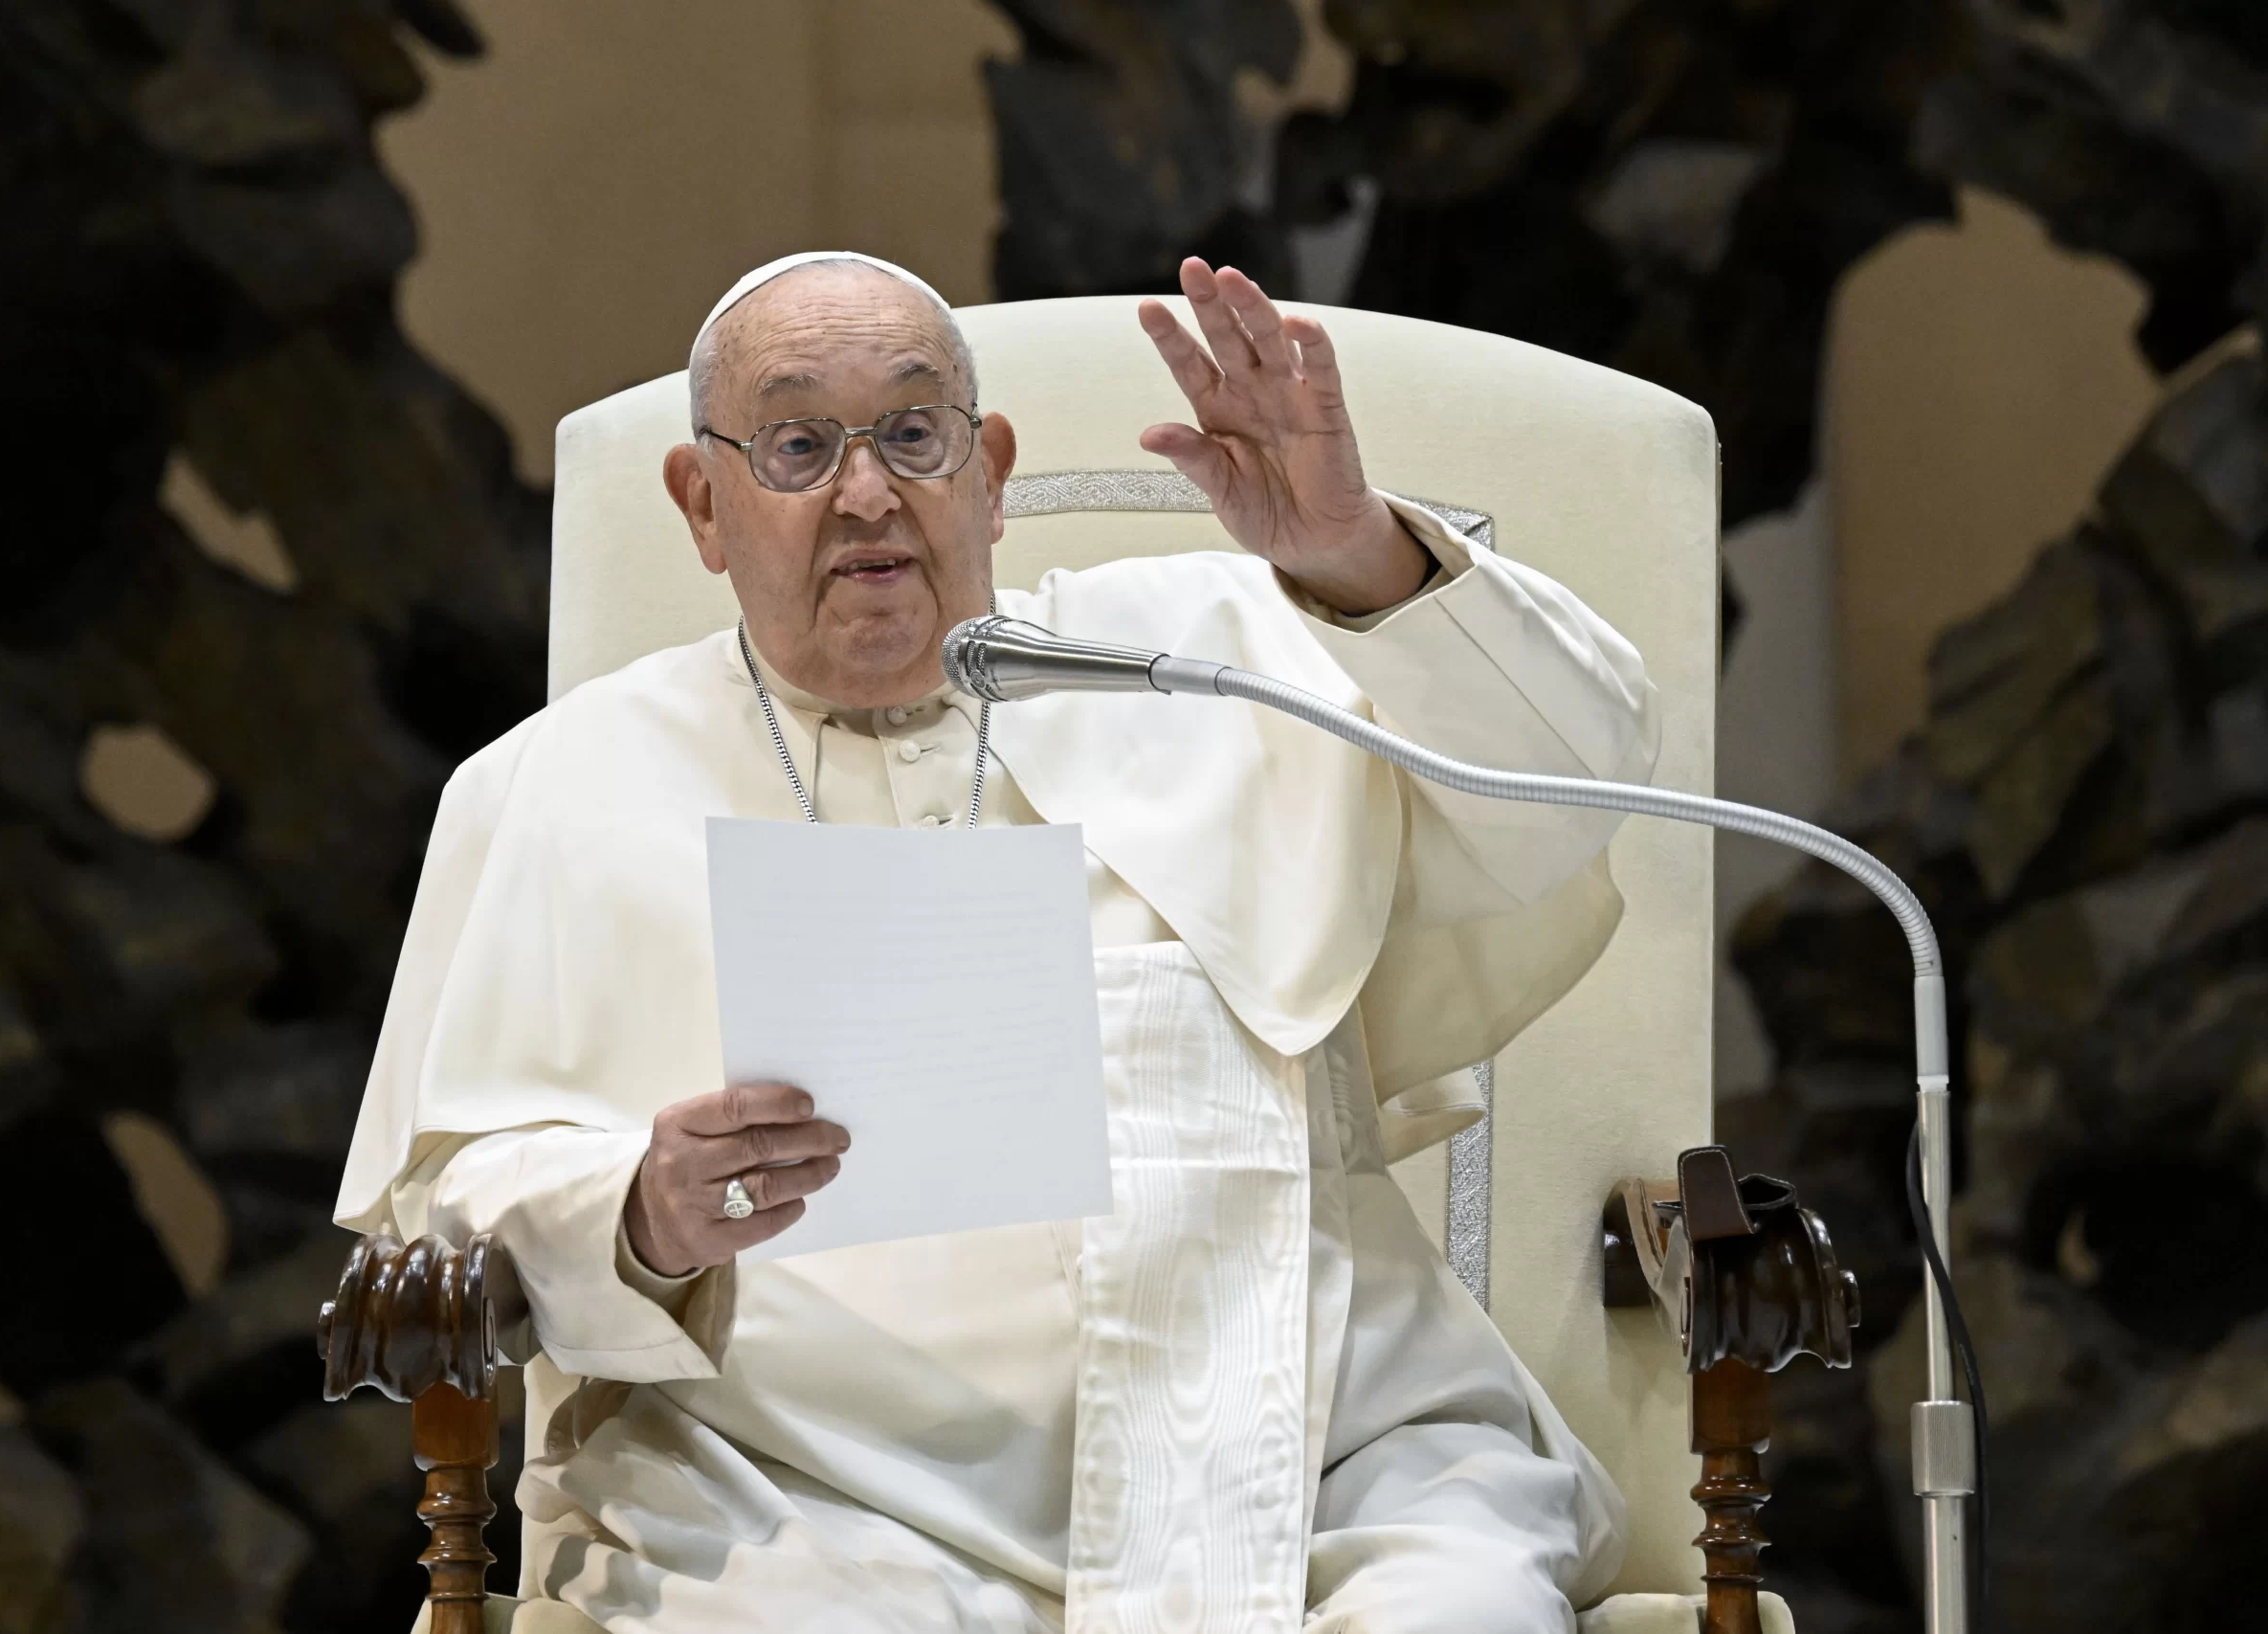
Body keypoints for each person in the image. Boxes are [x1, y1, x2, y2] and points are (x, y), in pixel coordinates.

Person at [337, 251, 1661, 1633]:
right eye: (797, 444)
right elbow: (440, 1222)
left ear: (993, 470)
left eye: (915, 433)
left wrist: (1351, 549)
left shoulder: (1214, 652)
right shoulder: (558, 784)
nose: (868, 492)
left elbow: (1575, 787)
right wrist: (640, 1211)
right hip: (808, 1496)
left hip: (1322, 1452)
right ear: (701, 503)